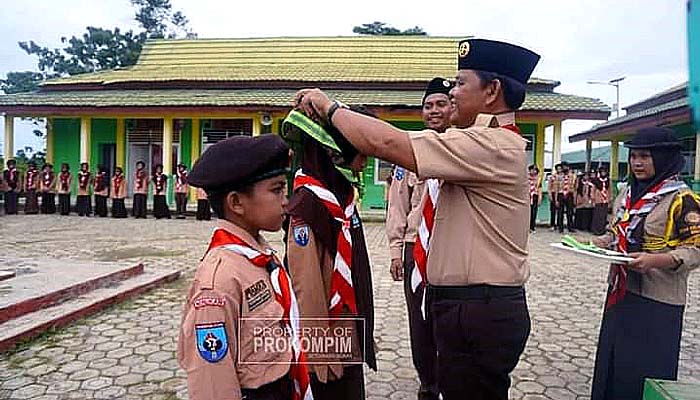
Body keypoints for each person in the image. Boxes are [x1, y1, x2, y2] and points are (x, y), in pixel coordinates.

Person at [294, 38, 539, 400]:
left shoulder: (495, 145)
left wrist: (330, 108)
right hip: (465, 306)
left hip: (479, 309)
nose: (452, 92)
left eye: (460, 83)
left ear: (492, 91)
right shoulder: (473, 141)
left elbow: (389, 145)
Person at [178, 134, 311, 400]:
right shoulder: (219, 281)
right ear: (236, 203)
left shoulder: (258, 255)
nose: (285, 200)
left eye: (284, 189)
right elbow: (212, 383)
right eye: (276, 190)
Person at [589, 127, 700, 400]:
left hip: (657, 301)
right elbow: (618, 232)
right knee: (615, 363)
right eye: (634, 156)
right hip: (621, 293)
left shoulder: (682, 199)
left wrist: (657, 260)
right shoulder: (628, 194)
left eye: (645, 157)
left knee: (644, 370)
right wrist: (599, 243)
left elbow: (695, 249)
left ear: (663, 158)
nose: (637, 163)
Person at [282, 108, 376, 400]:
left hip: (347, 332)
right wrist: (320, 355)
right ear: (337, 153)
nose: (366, 161)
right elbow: (306, 288)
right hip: (329, 347)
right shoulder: (308, 207)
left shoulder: (341, 197)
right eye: (361, 151)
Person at [386, 77, 452, 400]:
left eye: (441, 104)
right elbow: (397, 204)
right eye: (428, 106)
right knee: (420, 320)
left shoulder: (462, 147)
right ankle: (428, 383)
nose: (434, 111)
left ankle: (450, 380)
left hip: (451, 247)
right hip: (417, 248)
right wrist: (396, 250)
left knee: (449, 317)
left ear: (452, 108)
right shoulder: (410, 152)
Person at [591, 165, 611, 235]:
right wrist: (593, 199)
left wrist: (609, 201)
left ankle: (602, 230)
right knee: (597, 216)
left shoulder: (608, 180)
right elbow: (592, 190)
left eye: (604, 172)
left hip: (605, 201)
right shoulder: (596, 180)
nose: (603, 173)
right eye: (602, 172)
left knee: (603, 216)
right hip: (598, 200)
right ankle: (596, 230)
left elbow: (610, 191)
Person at [527, 164, 542, 233]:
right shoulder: (526, 178)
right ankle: (527, 227)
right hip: (527, 196)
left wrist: (540, 198)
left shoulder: (538, 179)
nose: (533, 171)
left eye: (535, 170)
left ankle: (532, 227)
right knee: (527, 212)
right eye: (532, 169)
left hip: (535, 196)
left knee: (534, 212)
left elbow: (539, 189)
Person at [548, 164, 562, 230]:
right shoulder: (552, 176)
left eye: (560, 168)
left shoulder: (564, 177)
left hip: (560, 194)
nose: (559, 170)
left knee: (560, 210)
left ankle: (559, 225)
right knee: (553, 210)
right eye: (558, 168)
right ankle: (552, 225)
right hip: (553, 193)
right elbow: (549, 186)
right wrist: (550, 194)